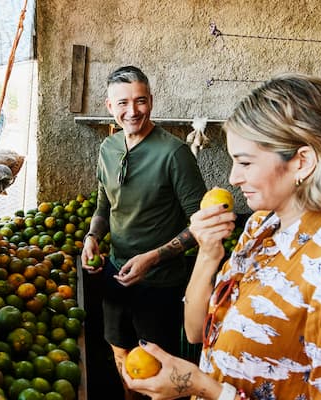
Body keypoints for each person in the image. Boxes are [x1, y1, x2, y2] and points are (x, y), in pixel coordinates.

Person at [122, 74, 321, 400]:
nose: (233, 178)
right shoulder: (263, 224)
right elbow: (195, 332)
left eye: (245, 162)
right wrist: (208, 251)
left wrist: (202, 386)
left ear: (302, 161)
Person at [81, 66, 208, 397]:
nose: (132, 111)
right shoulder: (108, 148)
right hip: (115, 273)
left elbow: (202, 223)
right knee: (122, 354)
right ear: (109, 107)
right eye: (122, 103)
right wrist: (92, 238)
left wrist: (154, 257)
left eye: (140, 101)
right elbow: (103, 207)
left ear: (151, 101)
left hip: (160, 283)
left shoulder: (174, 153)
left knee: (160, 371)